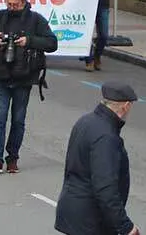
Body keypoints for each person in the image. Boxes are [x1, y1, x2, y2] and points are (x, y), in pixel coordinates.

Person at [0, 0, 58, 174]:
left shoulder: (35, 19)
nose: (11, 8)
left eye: (15, 5)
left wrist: (29, 41)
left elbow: (52, 43)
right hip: (1, 74)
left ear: (24, 2)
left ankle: (12, 158)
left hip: (24, 76)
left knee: (18, 120)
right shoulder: (1, 16)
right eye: (9, 4)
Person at [54, 82, 140, 235]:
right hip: (91, 219)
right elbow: (105, 187)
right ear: (125, 106)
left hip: (73, 210)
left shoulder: (85, 121)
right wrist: (125, 226)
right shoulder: (107, 137)